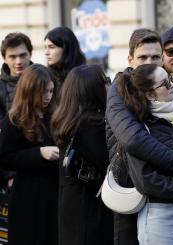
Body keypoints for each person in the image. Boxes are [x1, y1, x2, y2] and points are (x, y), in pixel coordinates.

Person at [106, 28, 173, 245]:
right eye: (143, 57)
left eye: (156, 57)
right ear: (130, 59)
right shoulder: (120, 89)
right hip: (133, 189)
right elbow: (133, 138)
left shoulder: (166, 85)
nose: (150, 61)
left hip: (170, 193)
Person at [117, 63, 173, 245]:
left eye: (170, 79)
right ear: (150, 94)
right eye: (166, 83)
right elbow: (146, 179)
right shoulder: (140, 127)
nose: (172, 85)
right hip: (163, 215)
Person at [51, 64, 113, 245]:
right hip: (92, 212)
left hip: (72, 208)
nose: (109, 86)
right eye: (106, 81)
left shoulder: (67, 120)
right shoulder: (93, 126)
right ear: (94, 91)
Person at [0, 64, 59, 245]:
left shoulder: (56, 116)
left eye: (51, 91)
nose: (48, 97)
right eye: (43, 92)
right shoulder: (14, 120)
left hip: (54, 193)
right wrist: (38, 153)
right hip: (27, 194)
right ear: (29, 91)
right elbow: (5, 158)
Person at [0, 32, 33, 193]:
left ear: (30, 54)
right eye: (12, 57)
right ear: (4, 58)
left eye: (22, 55)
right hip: (9, 172)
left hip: (42, 165)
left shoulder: (45, 80)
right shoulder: (0, 89)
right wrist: (8, 175)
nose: (18, 61)